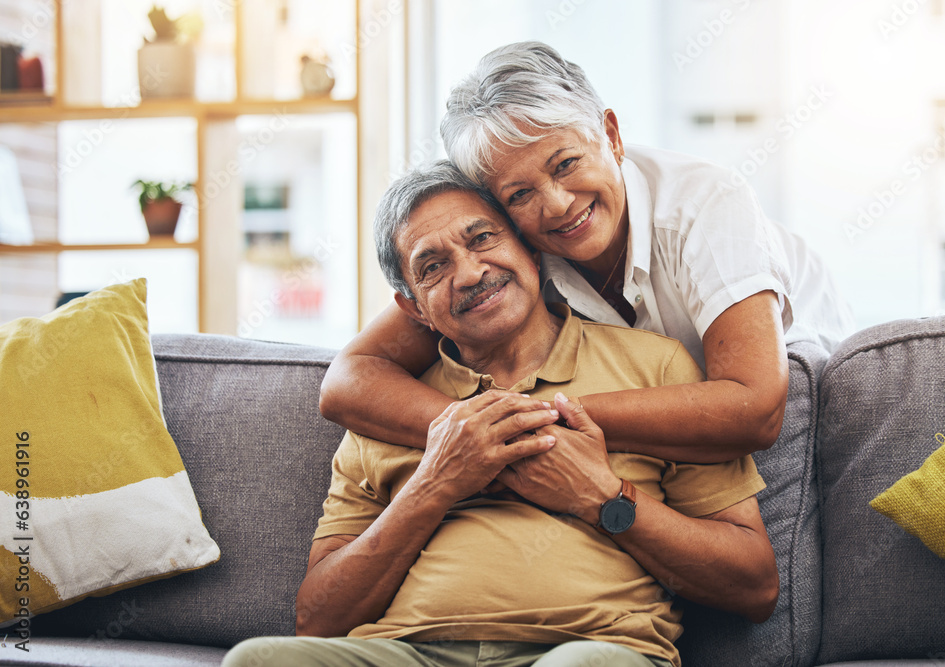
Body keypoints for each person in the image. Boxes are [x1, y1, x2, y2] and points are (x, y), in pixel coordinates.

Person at [222, 163, 778, 667]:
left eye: (482, 238)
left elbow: (754, 586)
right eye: (433, 267)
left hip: (584, 652)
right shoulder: (388, 408)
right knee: (257, 660)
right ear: (414, 308)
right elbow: (316, 620)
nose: (468, 274)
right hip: (404, 653)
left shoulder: (655, 367)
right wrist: (435, 483)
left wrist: (603, 497)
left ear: (533, 251)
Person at [320, 41, 854, 464]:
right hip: (651, 439)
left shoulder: (706, 204)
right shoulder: (506, 251)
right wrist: (477, 431)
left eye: (566, 163)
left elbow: (756, 408)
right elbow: (349, 381)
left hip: (815, 416)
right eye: (520, 195)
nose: (556, 206)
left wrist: (533, 418)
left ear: (611, 134)